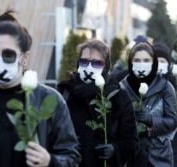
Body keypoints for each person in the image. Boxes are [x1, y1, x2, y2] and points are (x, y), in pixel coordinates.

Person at [0, 10, 81, 167]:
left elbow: (72, 157)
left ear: (25, 58)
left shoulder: (50, 101)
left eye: (8, 55)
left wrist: (50, 161)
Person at [57, 39, 139, 167]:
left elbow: (132, 141)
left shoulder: (118, 96)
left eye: (96, 63)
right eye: (84, 62)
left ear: (105, 67)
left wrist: (115, 149)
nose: (89, 67)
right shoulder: (64, 92)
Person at [120, 42, 177, 167]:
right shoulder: (122, 87)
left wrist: (151, 120)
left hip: (158, 155)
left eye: (146, 60)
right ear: (130, 62)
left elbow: (173, 121)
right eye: (137, 60)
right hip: (131, 156)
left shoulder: (166, 87)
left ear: (154, 62)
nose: (142, 64)